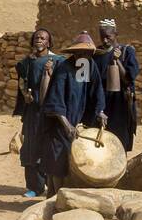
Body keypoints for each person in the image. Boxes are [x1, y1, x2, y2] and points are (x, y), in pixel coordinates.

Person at [40, 32, 107, 195]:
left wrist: (100, 111)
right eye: (81, 53)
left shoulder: (89, 66)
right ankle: (53, 196)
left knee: (74, 161)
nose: (84, 56)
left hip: (78, 123)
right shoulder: (64, 69)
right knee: (58, 160)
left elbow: (95, 93)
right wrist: (67, 124)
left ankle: (60, 196)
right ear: (75, 53)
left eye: (88, 53)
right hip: (60, 123)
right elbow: (56, 100)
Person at [13, 28, 61, 197]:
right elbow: (22, 82)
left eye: (43, 38)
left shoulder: (57, 61)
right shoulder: (28, 62)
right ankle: (35, 187)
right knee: (31, 148)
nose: (39, 40)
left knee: (49, 148)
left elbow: (62, 84)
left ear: (49, 42)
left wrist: (51, 71)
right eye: (36, 38)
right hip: (33, 113)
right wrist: (26, 94)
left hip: (50, 112)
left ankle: (52, 186)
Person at [93, 19, 139, 152]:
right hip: (102, 103)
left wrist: (117, 61)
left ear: (116, 34)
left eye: (108, 37)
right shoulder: (96, 54)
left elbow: (128, 79)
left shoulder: (126, 51)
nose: (105, 41)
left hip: (120, 105)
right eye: (102, 37)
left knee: (119, 142)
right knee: (101, 142)